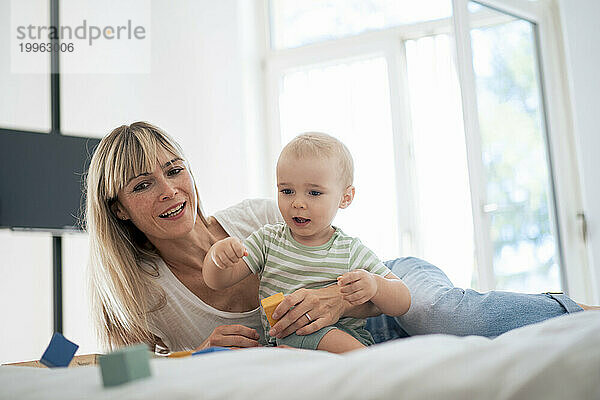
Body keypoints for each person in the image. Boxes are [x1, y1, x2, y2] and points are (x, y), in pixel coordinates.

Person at [86, 121, 587, 353]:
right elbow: (121, 377)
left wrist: (335, 297)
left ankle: (574, 311)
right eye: (143, 184)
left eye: (175, 170)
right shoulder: (137, 296)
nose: (171, 190)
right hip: (345, 342)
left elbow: (373, 281)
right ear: (120, 209)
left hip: (387, 285)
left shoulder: (261, 219)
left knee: (443, 312)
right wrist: (193, 356)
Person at [203, 133, 411, 353]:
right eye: (287, 191)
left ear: (345, 198)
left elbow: (403, 300)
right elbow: (217, 281)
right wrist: (218, 257)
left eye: (314, 192)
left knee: (305, 329)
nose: (298, 203)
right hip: (287, 345)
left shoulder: (349, 250)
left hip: (344, 346)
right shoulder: (268, 240)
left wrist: (376, 286)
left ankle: (373, 366)